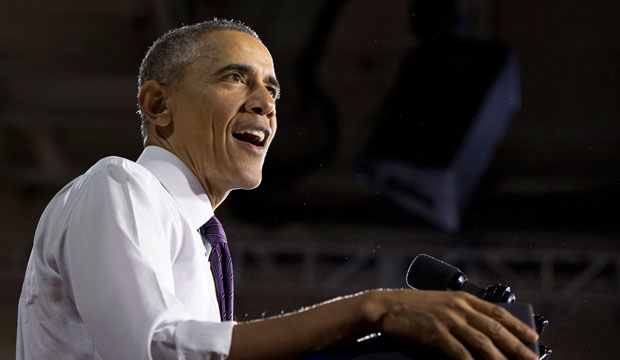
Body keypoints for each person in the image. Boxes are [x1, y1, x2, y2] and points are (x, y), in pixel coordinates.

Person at [16, 19, 539, 360]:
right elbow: (154, 350)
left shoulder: (198, 249)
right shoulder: (121, 185)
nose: (265, 103)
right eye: (234, 79)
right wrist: (373, 308)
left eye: (271, 88)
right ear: (157, 106)